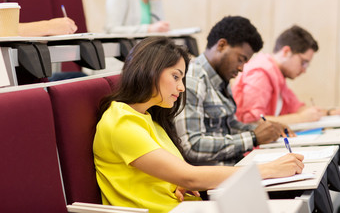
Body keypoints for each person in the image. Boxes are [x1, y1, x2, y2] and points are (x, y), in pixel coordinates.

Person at [93, 37, 304, 213]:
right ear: (149, 70)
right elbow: (190, 176)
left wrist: (179, 182)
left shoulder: (148, 117)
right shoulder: (121, 121)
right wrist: (269, 169)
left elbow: (182, 177)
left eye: (182, 78)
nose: (181, 87)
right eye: (175, 76)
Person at [174, 16, 295, 167]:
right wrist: (253, 137)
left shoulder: (220, 79)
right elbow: (192, 146)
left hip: (234, 169)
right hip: (213, 181)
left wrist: (267, 129)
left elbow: (229, 126)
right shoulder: (193, 79)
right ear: (222, 45)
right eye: (241, 59)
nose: (241, 68)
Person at [231, 25, 340, 124]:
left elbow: (297, 108)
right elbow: (251, 122)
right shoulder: (260, 74)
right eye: (303, 62)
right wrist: (300, 118)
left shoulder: (277, 75)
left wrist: (332, 112)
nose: (304, 70)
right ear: (286, 52)